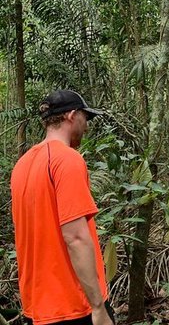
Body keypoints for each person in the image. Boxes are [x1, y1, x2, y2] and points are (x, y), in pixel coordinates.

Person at [10, 90, 114, 325]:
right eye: (85, 118)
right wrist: (98, 307)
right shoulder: (67, 159)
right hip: (73, 305)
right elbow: (75, 237)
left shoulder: (22, 165)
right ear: (71, 115)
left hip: (36, 307)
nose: (86, 126)